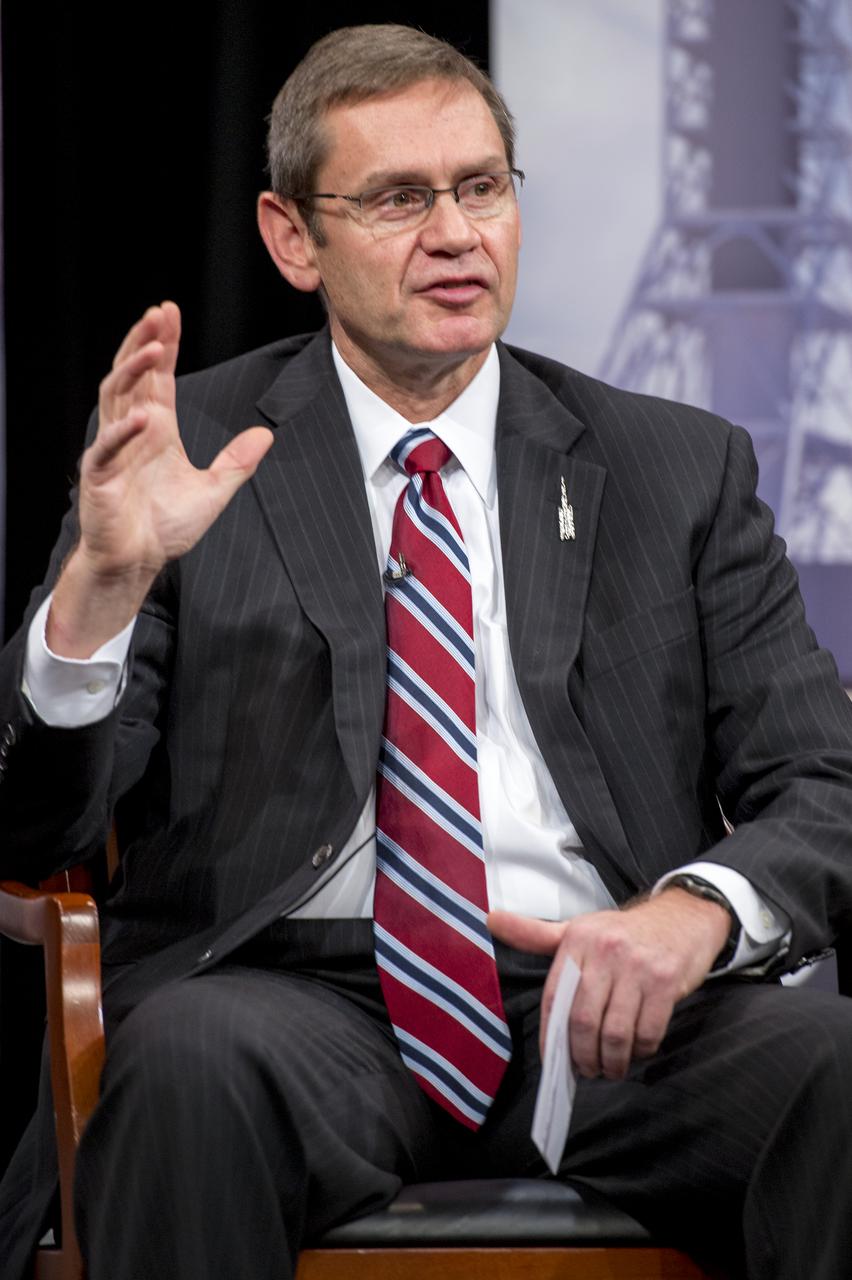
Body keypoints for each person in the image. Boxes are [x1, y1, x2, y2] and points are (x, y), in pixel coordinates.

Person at [2, 22, 852, 1280]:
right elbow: (37, 827)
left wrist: (694, 913)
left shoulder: (675, 465)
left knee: (837, 1067)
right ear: (294, 237)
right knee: (184, 1065)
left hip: (606, 997)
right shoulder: (191, 449)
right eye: (400, 198)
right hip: (292, 999)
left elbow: (825, 782)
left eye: (481, 187)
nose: (455, 233)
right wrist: (103, 595)